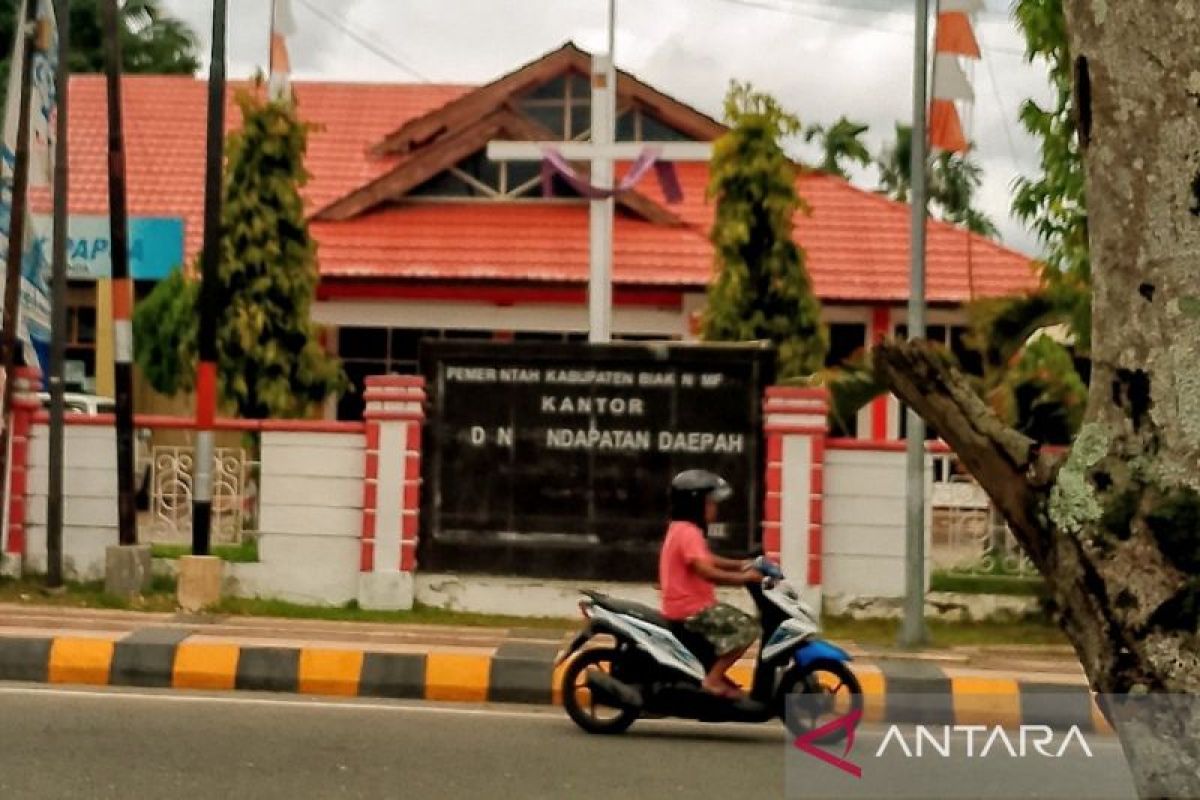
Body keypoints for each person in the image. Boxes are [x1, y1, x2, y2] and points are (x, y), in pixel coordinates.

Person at [659, 469, 763, 700]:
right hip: (691, 611)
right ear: (695, 504)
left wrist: (740, 564)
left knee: (729, 624)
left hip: (688, 607)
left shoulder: (681, 528)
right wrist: (743, 578)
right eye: (710, 503)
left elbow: (708, 558)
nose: (715, 509)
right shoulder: (688, 533)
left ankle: (712, 671)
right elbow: (705, 570)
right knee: (747, 628)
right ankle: (713, 679)